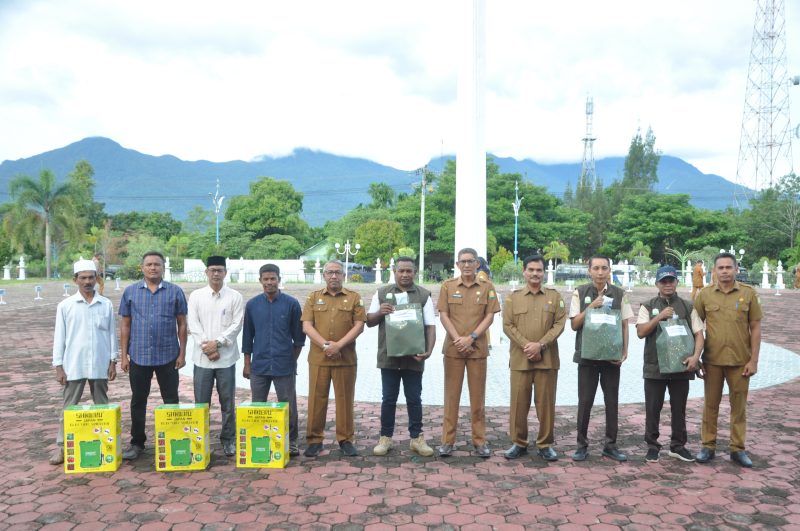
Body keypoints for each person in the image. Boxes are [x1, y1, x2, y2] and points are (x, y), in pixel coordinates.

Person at [689, 252, 762, 468]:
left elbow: (756, 328)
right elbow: (695, 327)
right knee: (710, 405)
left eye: (728, 268)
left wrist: (754, 361)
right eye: (720, 268)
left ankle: (737, 449)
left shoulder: (748, 294)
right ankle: (708, 446)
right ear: (714, 271)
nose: (724, 272)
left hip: (740, 361)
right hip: (712, 360)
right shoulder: (705, 295)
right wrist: (696, 356)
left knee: (738, 407)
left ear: (736, 269)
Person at [119, 251, 188, 460]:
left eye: (157, 264)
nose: (153, 268)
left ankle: (173, 439)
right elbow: (125, 324)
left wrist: (182, 352)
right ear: (142, 268)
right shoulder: (130, 292)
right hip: (139, 355)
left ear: (163, 268)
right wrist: (123, 356)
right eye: (149, 264)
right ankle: (137, 443)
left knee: (171, 400)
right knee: (138, 400)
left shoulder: (175, 292)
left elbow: (182, 323)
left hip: (168, 354)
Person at [49, 259, 117, 465]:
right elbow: (59, 337)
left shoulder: (105, 304)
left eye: (91, 277)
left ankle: (107, 445)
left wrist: (113, 360)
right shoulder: (66, 305)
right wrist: (58, 365)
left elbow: (112, 334)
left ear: (96, 279)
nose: (88, 282)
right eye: (83, 278)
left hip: (99, 363)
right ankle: (62, 447)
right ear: (75, 280)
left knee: (102, 407)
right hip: (73, 364)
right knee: (69, 408)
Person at [367, 257, 436, 457]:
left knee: (414, 398)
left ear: (415, 272)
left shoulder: (423, 295)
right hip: (389, 356)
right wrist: (380, 312)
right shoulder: (381, 293)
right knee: (388, 399)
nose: (405, 274)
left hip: (414, 357)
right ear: (394, 271)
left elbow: (430, 325)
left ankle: (417, 438)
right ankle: (385, 438)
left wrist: (429, 351)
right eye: (401, 271)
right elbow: (369, 321)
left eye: (409, 271)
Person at [569, 255, 634, 462]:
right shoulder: (580, 293)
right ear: (589, 270)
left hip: (610, 358)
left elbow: (625, 323)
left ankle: (610, 445)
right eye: (595, 268)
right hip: (587, 357)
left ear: (609, 270)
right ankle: (581, 445)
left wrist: (624, 352)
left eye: (604, 268)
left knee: (611, 402)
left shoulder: (620, 294)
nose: (600, 272)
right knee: (585, 402)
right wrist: (591, 307)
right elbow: (574, 325)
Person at [636, 265, 704, 463]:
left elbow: (699, 334)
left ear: (676, 282)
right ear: (657, 283)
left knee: (679, 408)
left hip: (681, 366)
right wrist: (659, 317)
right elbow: (641, 332)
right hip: (654, 366)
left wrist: (695, 357)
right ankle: (652, 445)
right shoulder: (647, 306)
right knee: (653, 408)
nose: (667, 284)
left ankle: (678, 445)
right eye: (663, 281)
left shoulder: (687, 306)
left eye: (671, 280)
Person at [437, 247, 501, 458]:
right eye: (462, 261)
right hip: (454, 349)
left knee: (478, 399)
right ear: (457, 265)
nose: (466, 265)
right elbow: (444, 315)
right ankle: (447, 441)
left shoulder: (486, 287)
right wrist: (458, 339)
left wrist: (471, 337)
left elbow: (490, 316)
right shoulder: (447, 286)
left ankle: (479, 441)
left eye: (470, 261)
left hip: (477, 349)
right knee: (451, 397)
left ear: (477, 264)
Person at [502, 254, 567, 461]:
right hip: (520, 360)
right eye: (531, 270)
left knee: (546, 404)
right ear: (524, 272)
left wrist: (540, 345)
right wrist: (527, 346)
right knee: (519, 404)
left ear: (544, 272)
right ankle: (518, 442)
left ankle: (545, 444)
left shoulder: (554, 296)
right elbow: (507, 325)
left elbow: (559, 324)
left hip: (547, 360)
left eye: (539, 270)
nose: (535, 274)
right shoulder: (513, 297)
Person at [301, 260, 366, 457]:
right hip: (319, 358)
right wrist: (326, 346)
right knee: (316, 399)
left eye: (337, 272)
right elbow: (307, 326)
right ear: (324, 275)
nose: (334, 276)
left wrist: (339, 345)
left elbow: (359, 325)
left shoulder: (354, 297)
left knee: (345, 399)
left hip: (345, 358)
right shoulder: (313, 297)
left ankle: (345, 439)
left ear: (344, 275)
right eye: (329, 272)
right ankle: (314, 440)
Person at [242, 263, 305, 456]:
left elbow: (299, 339)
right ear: (260, 281)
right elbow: (247, 337)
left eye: (273, 278)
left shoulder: (291, 304)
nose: (270, 282)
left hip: (283, 364)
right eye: (266, 279)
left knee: (288, 405)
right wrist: (247, 364)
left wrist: (291, 360)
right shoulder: (252, 305)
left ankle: (291, 441)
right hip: (259, 365)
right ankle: (260, 440)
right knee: (258, 405)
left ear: (279, 279)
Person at [187, 256, 244, 457]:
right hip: (202, 360)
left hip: (226, 359)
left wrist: (217, 343)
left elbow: (237, 325)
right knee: (201, 404)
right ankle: (200, 440)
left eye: (220, 270)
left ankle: (228, 440)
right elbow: (193, 325)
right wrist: (208, 347)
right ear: (206, 272)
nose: (216, 274)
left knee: (227, 402)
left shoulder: (235, 296)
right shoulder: (196, 296)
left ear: (225, 272)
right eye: (212, 270)